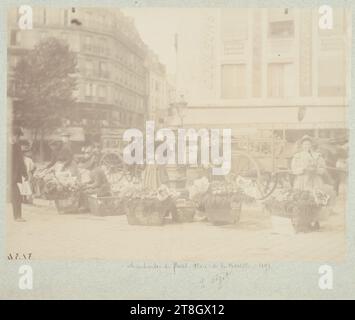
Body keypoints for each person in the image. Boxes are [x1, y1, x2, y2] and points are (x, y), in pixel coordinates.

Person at [291, 135, 327, 230]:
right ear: (302, 146)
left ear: (311, 145)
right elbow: (294, 169)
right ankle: (303, 222)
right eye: (305, 144)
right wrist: (303, 169)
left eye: (308, 144)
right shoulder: (297, 156)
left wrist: (316, 170)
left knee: (315, 200)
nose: (307, 146)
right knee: (302, 200)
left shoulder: (317, 156)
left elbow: (323, 168)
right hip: (302, 181)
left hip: (315, 181)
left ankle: (315, 221)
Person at [9, 127, 28, 222]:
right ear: (13, 135)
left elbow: (21, 161)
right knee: (16, 195)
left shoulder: (17, 146)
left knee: (16, 195)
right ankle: (17, 216)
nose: (18, 138)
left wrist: (25, 173)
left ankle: (17, 216)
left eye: (18, 136)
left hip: (12, 176)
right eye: (17, 136)